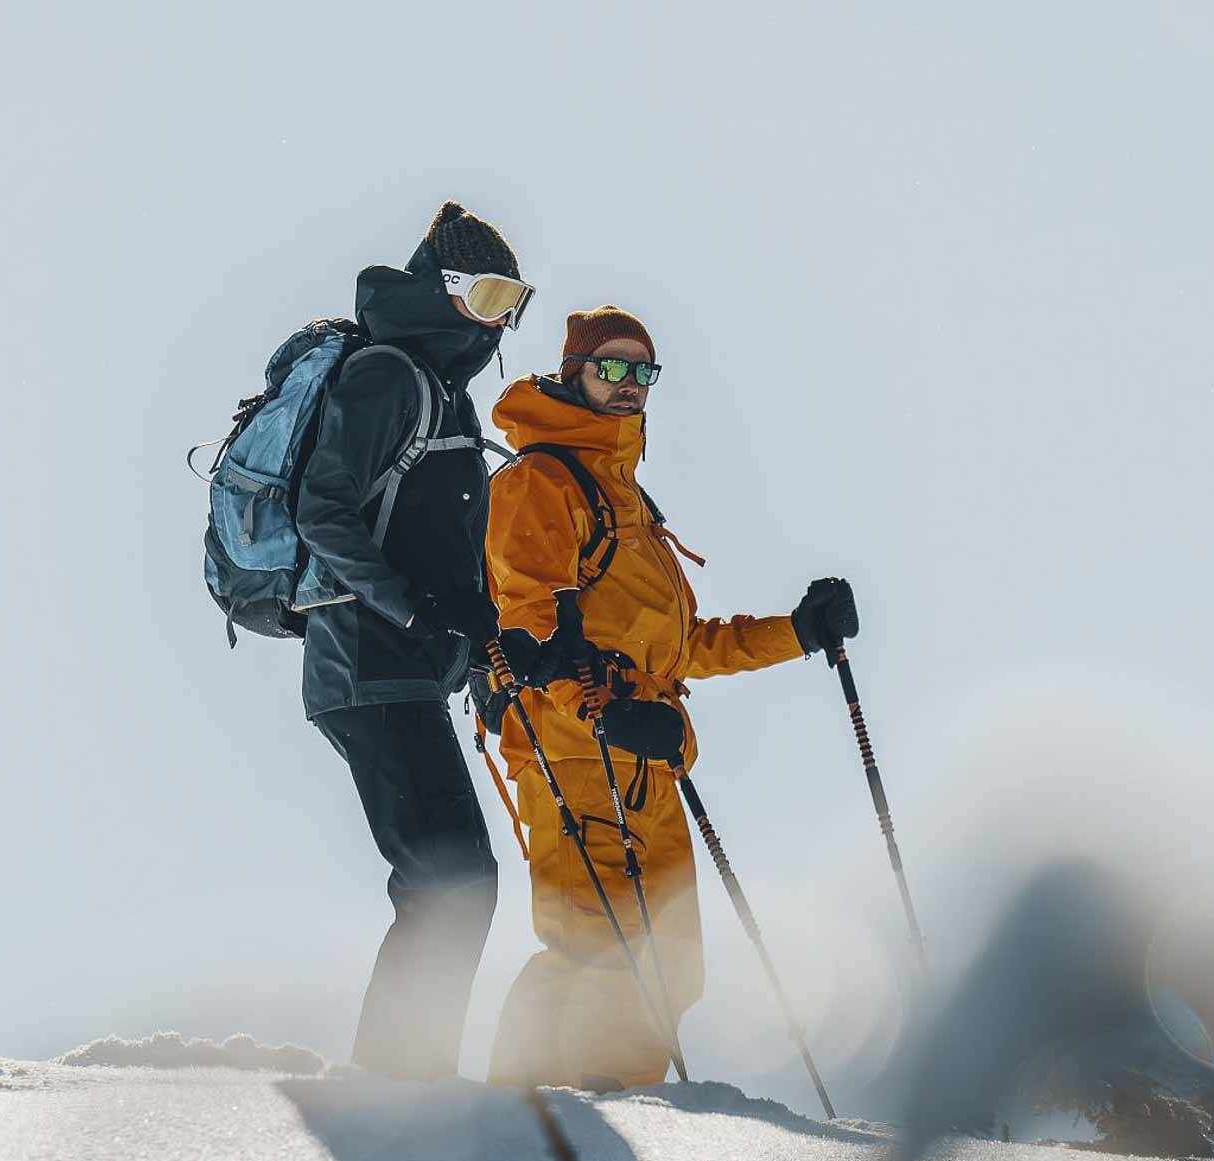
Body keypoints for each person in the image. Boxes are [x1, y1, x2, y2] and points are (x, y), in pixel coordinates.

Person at [484, 305, 858, 1090]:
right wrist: (605, 711)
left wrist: (799, 631)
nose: (628, 386)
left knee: (666, 967)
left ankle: (630, 1122)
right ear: (572, 371)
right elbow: (530, 629)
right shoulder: (540, 482)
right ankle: (528, 1126)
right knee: (595, 948)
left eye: (642, 371)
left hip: (649, 754)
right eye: (611, 367)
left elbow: (683, 648)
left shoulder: (630, 505)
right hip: (578, 754)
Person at [295, 201, 557, 1080]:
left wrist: (483, 648)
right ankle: (401, 1092)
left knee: (453, 882)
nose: (496, 321)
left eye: (510, 304)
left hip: (407, 672)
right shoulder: (387, 376)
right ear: (437, 289)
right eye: (485, 295)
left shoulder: (444, 392)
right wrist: (412, 612)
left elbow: (444, 560)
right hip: (366, 664)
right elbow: (321, 511)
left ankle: (407, 1085)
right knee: (451, 883)